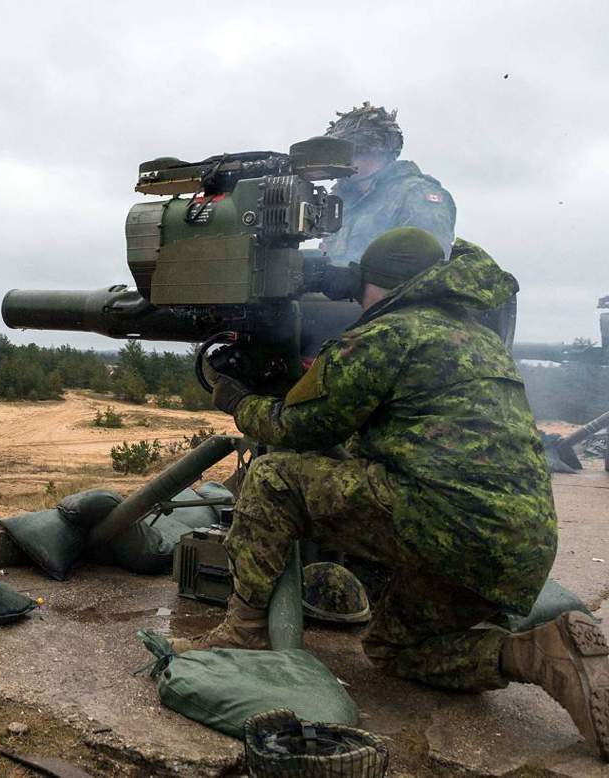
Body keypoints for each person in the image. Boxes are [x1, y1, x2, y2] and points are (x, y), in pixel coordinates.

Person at [169, 227, 609, 759]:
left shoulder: (388, 335)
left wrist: (238, 400)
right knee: (396, 649)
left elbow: (301, 427)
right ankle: (539, 654)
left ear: (377, 283)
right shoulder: (478, 337)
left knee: (274, 478)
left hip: (443, 521)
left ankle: (243, 630)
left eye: (361, 286)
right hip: (518, 546)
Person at [320, 103, 456, 266]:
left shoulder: (415, 195)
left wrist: (358, 279)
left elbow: (426, 270)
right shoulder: (341, 202)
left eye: (359, 151)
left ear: (382, 152)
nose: (349, 160)